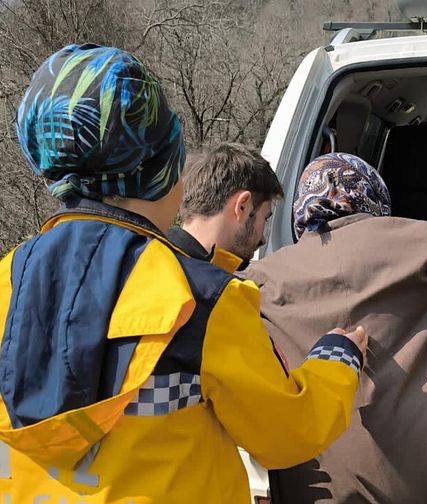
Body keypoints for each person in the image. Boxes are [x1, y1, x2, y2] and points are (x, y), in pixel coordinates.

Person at [0, 44, 365, 503]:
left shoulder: (7, 278)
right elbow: (288, 434)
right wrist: (338, 359)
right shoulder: (200, 298)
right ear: (162, 164)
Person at [244, 152, 427, 504]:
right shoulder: (420, 243)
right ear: (371, 194)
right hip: (421, 482)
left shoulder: (262, 280)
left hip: (316, 487)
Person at [168, 143, 283, 272]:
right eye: (265, 218)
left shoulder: (147, 256)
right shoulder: (217, 289)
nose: (263, 240)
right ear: (242, 207)